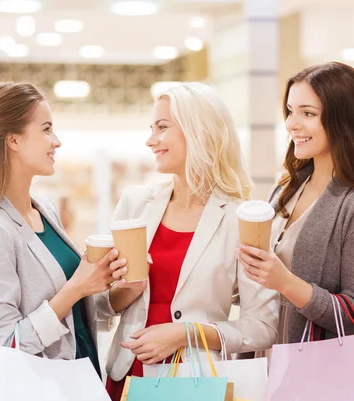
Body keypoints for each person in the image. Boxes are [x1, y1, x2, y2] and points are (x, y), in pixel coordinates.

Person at [95, 82, 280, 400]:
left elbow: (263, 326)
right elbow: (98, 306)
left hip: (195, 382)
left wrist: (186, 334)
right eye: (151, 128)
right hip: (127, 376)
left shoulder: (240, 220)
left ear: (199, 131)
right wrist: (124, 291)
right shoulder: (135, 203)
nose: (150, 140)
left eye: (162, 127)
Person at [0, 82, 126, 377]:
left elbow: (78, 310)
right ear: (13, 140)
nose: (57, 141)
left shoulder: (45, 210)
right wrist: (76, 287)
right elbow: (3, 346)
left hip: (84, 378)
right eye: (46, 129)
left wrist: (120, 282)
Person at [237, 62, 354, 343]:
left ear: (344, 121)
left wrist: (286, 283)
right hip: (262, 355)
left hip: (313, 369)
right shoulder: (286, 188)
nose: (292, 124)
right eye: (291, 111)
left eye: (308, 113)